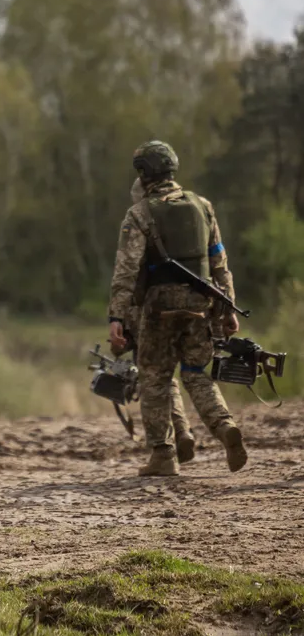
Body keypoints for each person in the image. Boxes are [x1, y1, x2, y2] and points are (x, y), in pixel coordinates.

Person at [108, 141, 247, 477]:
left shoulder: (139, 213)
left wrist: (117, 315)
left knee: (155, 376)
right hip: (202, 301)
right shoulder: (203, 206)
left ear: (143, 173)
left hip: (159, 306)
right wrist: (228, 306)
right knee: (197, 374)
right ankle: (224, 425)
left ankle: (163, 455)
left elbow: (126, 271)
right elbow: (219, 262)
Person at [117, 176, 196, 463]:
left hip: (148, 313)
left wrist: (118, 319)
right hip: (181, 308)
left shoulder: (138, 224)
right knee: (168, 377)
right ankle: (183, 429)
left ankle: (166, 447)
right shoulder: (178, 230)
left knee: (154, 378)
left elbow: (127, 277)